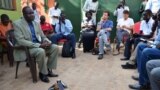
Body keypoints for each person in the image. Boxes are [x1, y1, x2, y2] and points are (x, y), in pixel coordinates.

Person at [13, 6, 59, 83]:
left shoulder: (36, 23)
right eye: (29, 13)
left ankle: (48, 70)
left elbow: (42, 36)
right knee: (40, 51)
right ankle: (42, 74)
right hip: (27, 48)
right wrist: (39, 45)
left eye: (33, 13)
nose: (32, 15)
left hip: (38, 45)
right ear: (24, 14)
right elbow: (20, 41)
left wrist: (47, 41)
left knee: (55, 47)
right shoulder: (17, 24)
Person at [129, 11, 160, 89]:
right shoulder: (157, 24)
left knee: (146, 52)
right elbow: (156, 38)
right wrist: (152, 42)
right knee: (140, 46)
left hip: (157, 47)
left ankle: (143, 83)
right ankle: (141, 75)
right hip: (155, 44)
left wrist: (154, 43)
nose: (157, 16)